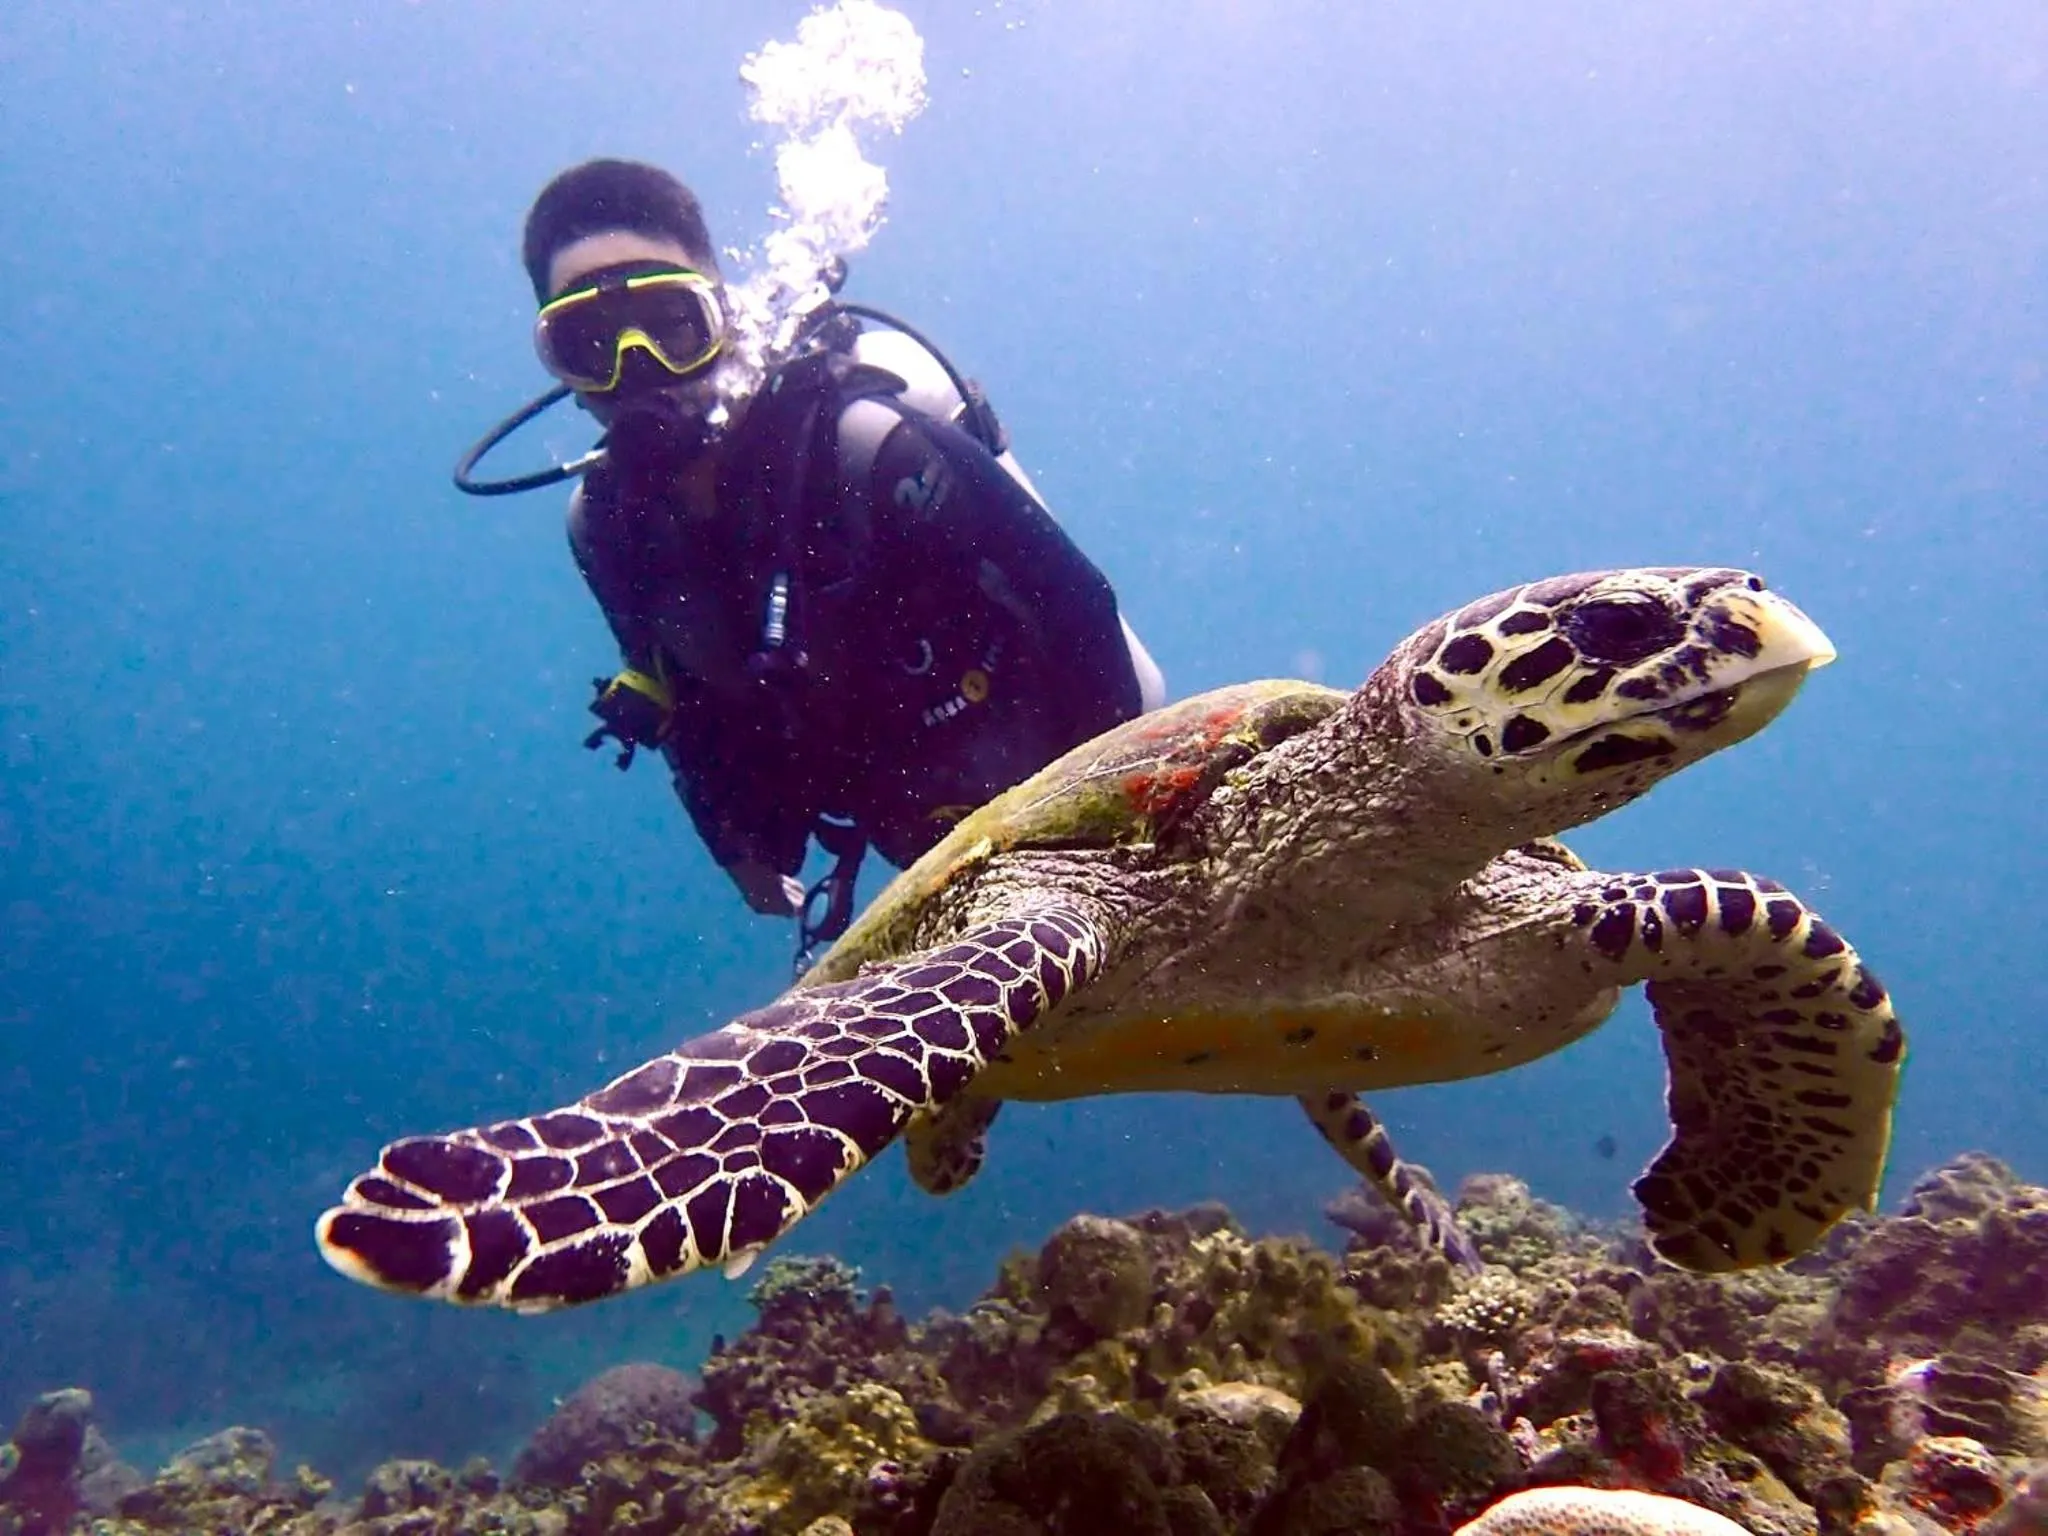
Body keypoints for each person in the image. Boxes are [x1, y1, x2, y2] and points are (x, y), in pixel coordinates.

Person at [497, 159, 1165, 969]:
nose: (633, 367)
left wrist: (1119, 836)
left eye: (669, 324)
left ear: (724, 313)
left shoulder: (865, 446)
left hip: (1097, 804)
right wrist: (734, 842)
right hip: (912, 846)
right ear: (558, 366)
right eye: (589, 344)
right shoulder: (608, 528)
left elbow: (1075, 602)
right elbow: (669, 691)